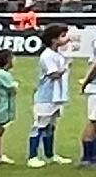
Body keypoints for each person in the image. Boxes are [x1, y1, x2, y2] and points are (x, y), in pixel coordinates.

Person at [27, 26, 72, 164]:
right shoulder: (47, 56)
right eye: (63, 36)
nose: (66, 39)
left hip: (57, 96)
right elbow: (54, 74)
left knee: (51, 126)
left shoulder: (58, 55)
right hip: (46, 97)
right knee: (40, 125)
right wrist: (66, 66)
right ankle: (32, 156)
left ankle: (50, 154)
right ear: (53, 39)